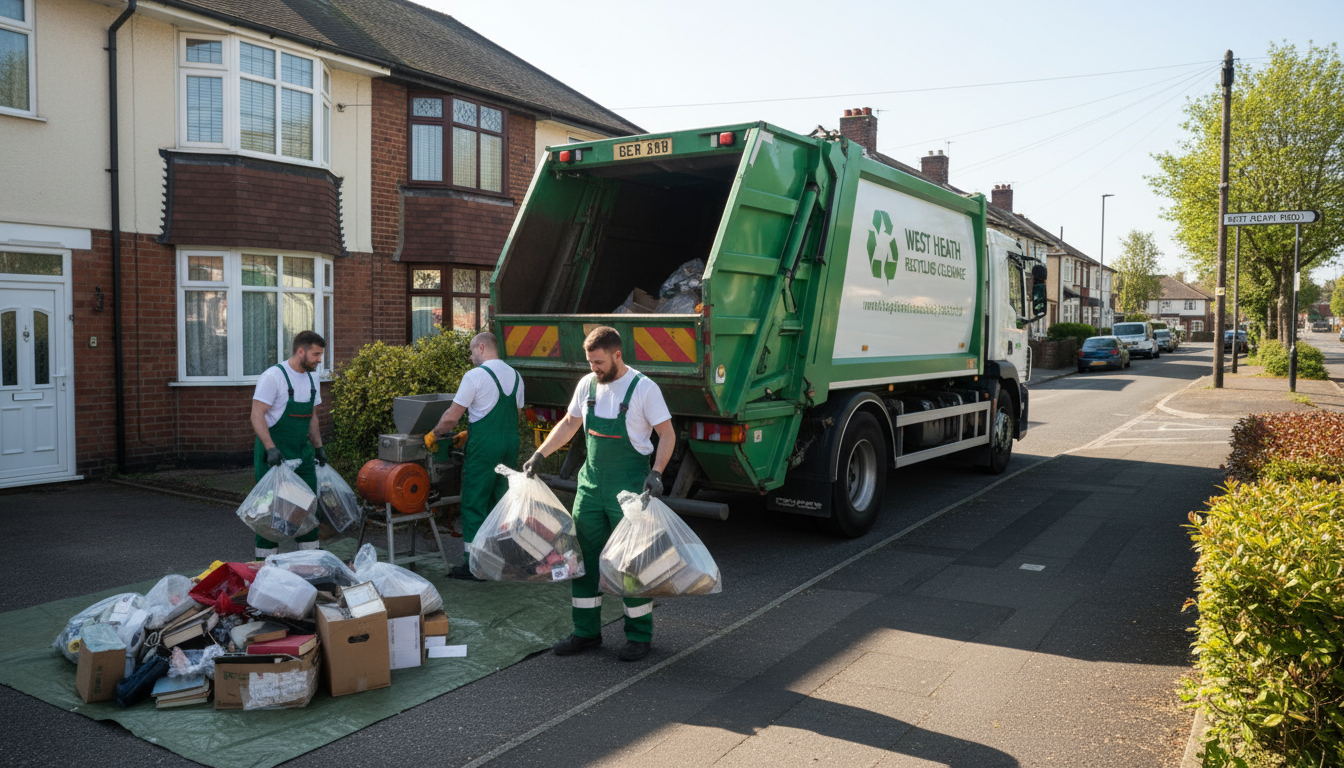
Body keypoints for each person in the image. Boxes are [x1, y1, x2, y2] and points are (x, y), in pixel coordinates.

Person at [524, 326, 674, 662]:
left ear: (617, 355)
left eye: (599, 362)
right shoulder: (587, 385)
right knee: (582, 560)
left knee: (630, 561)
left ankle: (639, 637)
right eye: (591, 362)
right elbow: (569, 423)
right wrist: (540, 455)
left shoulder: (643, 389)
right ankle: (586, 633)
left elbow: (667, 435)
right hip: (590, 488)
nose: (594, 368)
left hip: (629, 488)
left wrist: (657, 472)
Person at [425, 332, 523, 581]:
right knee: (499, 502)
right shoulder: (516, 376)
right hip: (510, 444)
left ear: (482, 347)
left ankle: (475, 565)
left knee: (473, 501)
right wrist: (471, 430)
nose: (470, 357)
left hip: (484, 447)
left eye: (471, 351)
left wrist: (434, 434)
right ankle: (501, 559)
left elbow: (451, 416)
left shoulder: (475, 376)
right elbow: (514, 415)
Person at [250, 331, 328, 560]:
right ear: (300, 351)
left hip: (302, 453)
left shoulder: (313, 378)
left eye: (321, 354)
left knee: (306, 506)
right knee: (272, 510)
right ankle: (263, 565)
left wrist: (319, 447)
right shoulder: (274, 377)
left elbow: (312, 417)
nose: (319, 360)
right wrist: (270, 447)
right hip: (275, 454)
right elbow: (257, 415)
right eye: (316, 354)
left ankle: (311, 561)